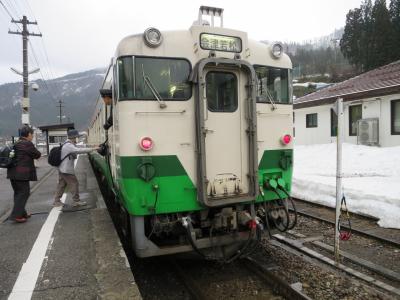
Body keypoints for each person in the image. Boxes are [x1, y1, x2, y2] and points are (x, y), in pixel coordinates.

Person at [53, 129, 99, 207]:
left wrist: (91, 146)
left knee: (62, 185)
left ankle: (56, 201)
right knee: (74, 183)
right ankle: (76, 201)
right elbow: (79, 150)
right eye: (77, 137)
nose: (78, 138)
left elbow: (79, 147)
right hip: (66, 170)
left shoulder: (68, 143)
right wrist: (93, 149)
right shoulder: (69, 145)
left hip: (62, 169)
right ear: (73, 137)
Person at [7, 126, 41, 223]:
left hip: (12, 173)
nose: (32, 136)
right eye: (32, 134)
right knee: (24, 193)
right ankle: (16, 216)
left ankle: (22, 213)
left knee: (18, 193)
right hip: (21, 174)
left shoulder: (16, 143)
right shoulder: (27, 144)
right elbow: (37, 154)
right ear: (29, 134)